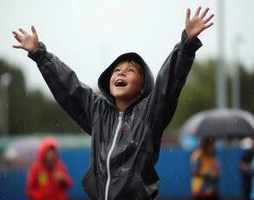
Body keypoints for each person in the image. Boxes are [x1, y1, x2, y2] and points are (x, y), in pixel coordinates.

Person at [13, 7, 214, 200]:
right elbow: (70, 88)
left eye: (130, 70)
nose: (120, 72)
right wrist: (40, 55)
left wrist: (186, 44)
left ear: (143, 86)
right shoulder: (98, 112)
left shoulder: (148, 115)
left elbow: (167, 86)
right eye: (117, 70)